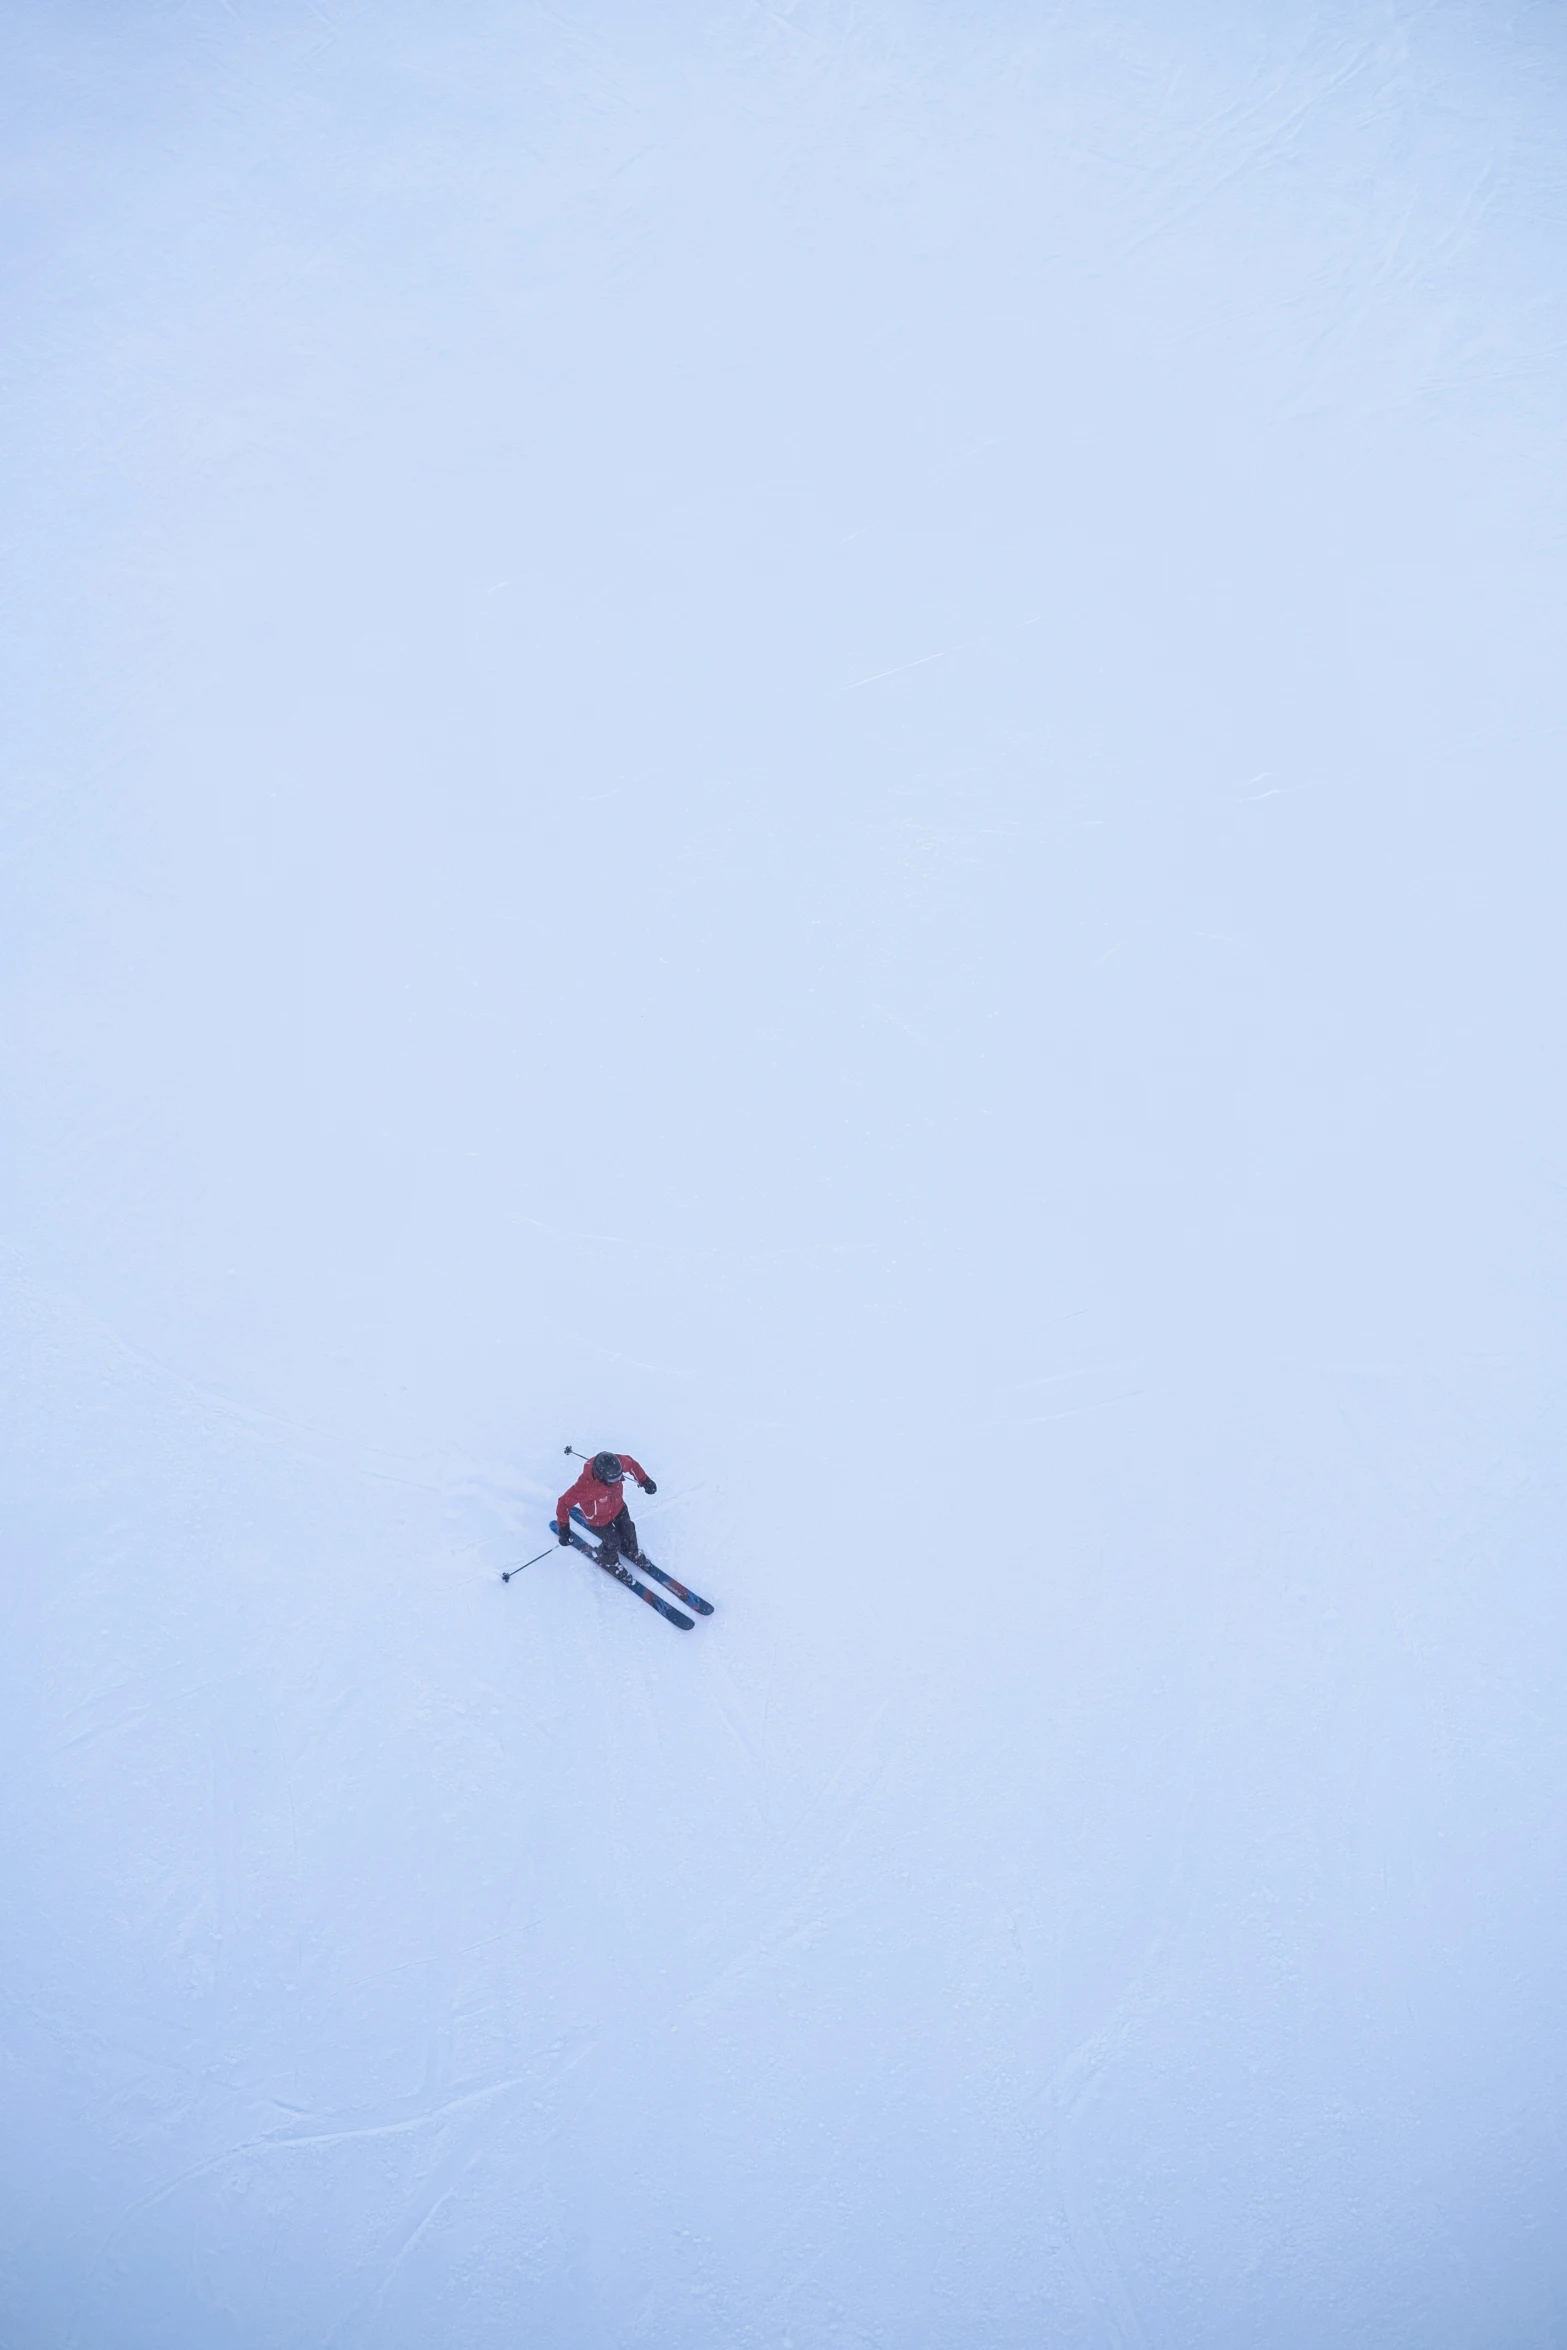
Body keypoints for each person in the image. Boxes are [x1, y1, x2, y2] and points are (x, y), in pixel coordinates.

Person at [556, 1450, 657, 1570]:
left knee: (628, 1529)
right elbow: (563, 1503)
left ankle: (632, 1550)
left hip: (618, 1506)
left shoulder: (616, 1463)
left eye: (619, 1477)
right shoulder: (585, 1485)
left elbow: (632, 1464)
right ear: (601, 1477)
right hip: (598, 1518)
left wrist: (645, 1480)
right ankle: (608, 1560)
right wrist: (564, 1529)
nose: (617, 1481)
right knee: (613, 1541)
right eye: (613, 1480)